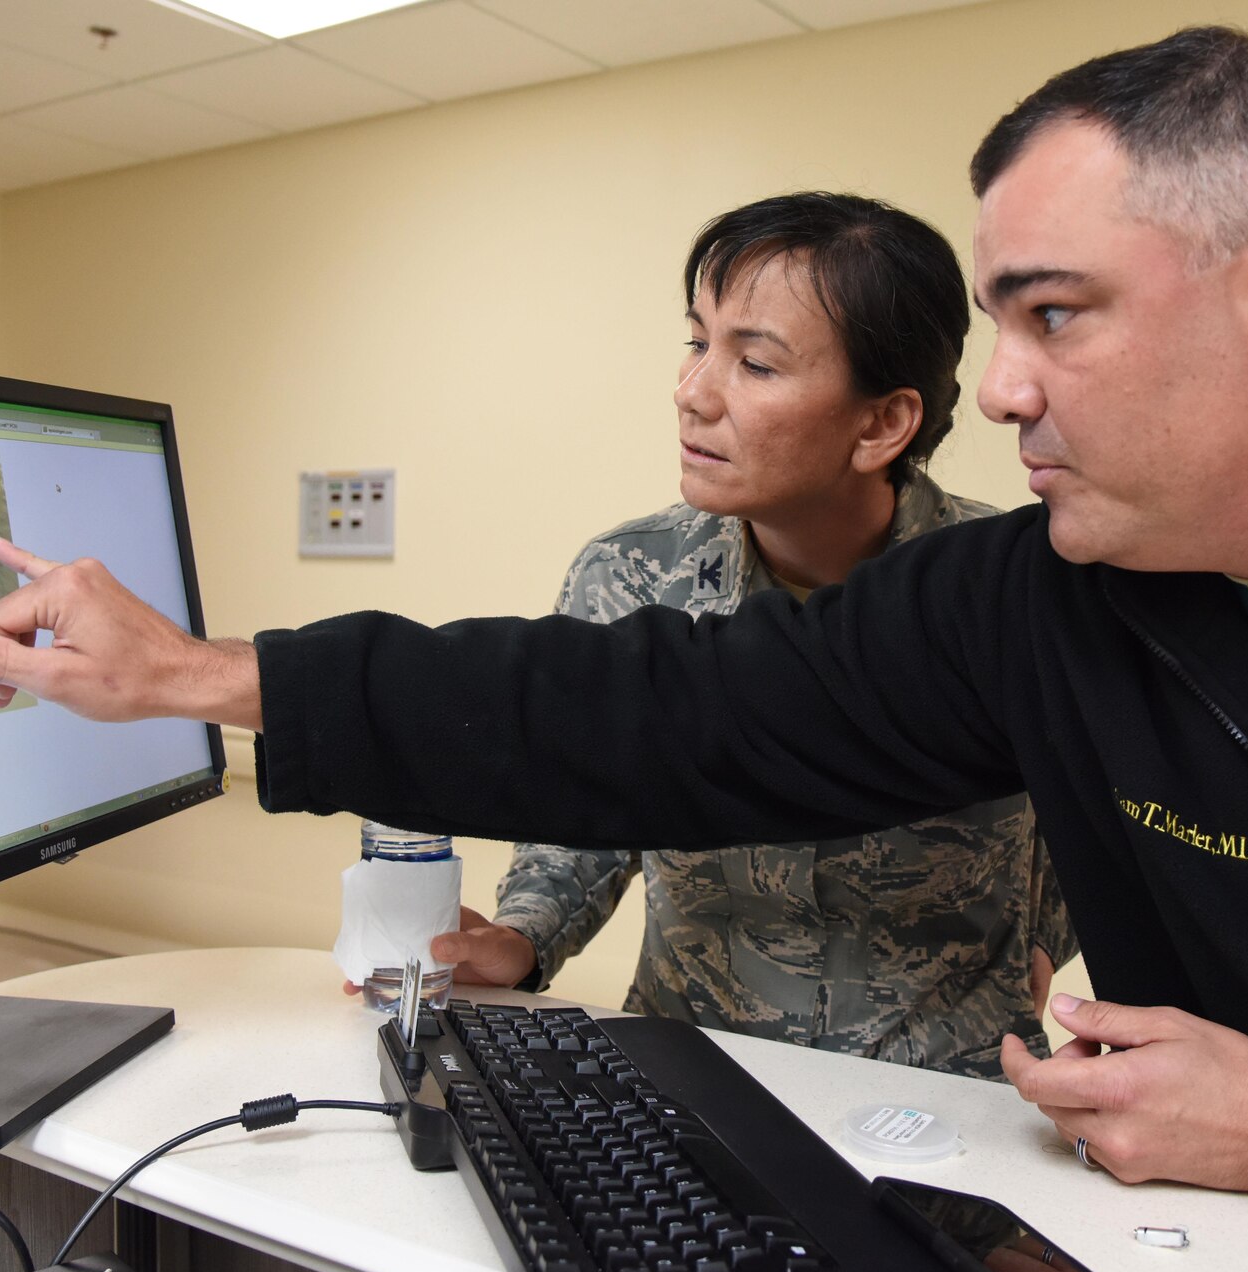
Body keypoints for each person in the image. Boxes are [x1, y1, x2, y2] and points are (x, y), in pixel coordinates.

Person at [0, 27, 1248, 1272]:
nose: (1001, 391)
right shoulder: (1045, 596)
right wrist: (206, 675)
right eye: (998, 327)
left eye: (1056, 314)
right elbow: (659, 717)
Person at [438, 193, 1074, 1074]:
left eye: (756, 365)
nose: (691, 393)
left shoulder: (1006, 589)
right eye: (698, 343)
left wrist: (1046, 941)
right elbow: (584, 785)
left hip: (944, 1096)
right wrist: (524, 931)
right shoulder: (630, 574)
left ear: (883, 422)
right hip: (694, 1066)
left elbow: (1101, 796)